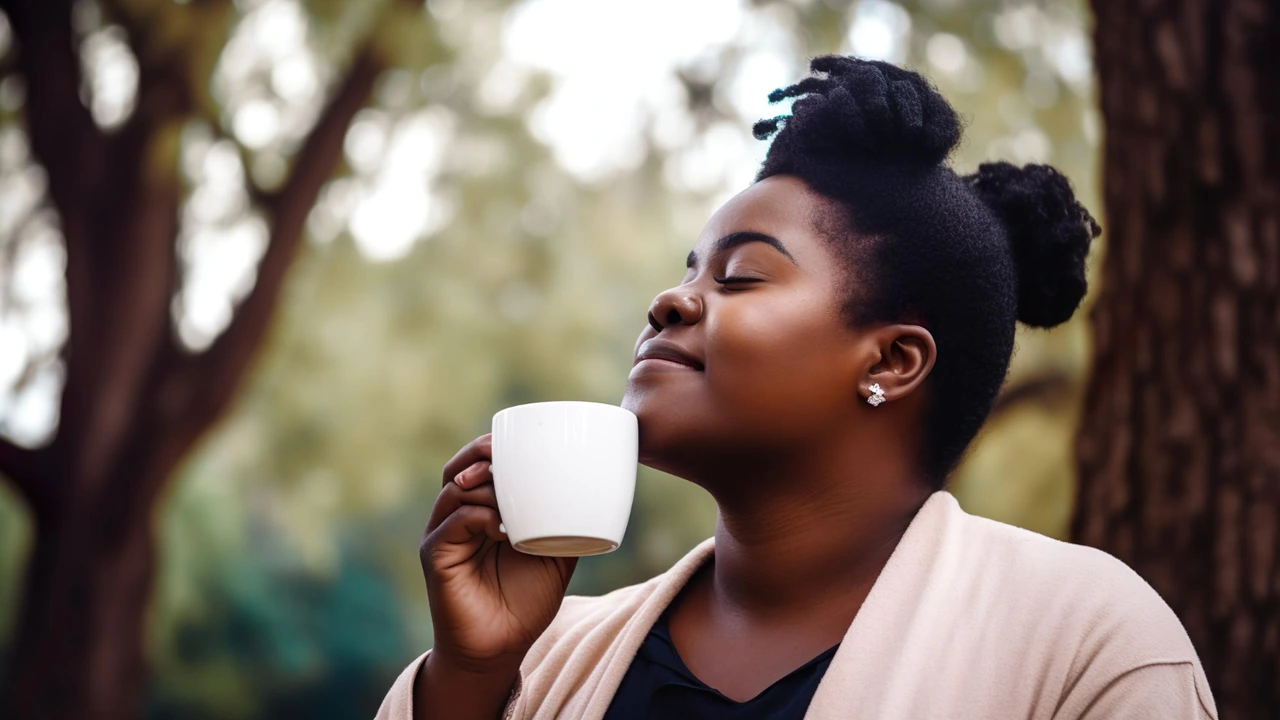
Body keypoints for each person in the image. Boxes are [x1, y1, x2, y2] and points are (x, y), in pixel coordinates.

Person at [376, 56, 1217, 720]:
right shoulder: (540, 658)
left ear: (891, 362)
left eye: (740, 276)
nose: (670, 300)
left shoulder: (1089, 647)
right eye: (689, 269)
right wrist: (471, 681)